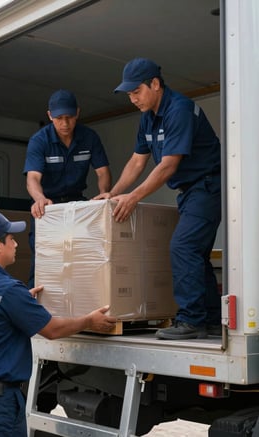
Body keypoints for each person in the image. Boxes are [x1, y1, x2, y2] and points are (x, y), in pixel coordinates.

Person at [0, 211, 116, 436]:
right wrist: (89, 320)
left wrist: (20, 303)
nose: (16, 244)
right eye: (11, 239)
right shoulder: (7, 290)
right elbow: (52, 330)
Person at [95, 57, 221, 340]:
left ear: (155, 84)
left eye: (136, 91)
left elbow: (167, 165)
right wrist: (113, 193)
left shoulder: (180, 109)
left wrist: (134, 197)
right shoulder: (147, 118)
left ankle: (190, 321)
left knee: (182, 246)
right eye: (129, 94)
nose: (133, 99)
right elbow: (137, 162)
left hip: (208, 186)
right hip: (190, 191)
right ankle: (211, 319)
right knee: (195, 254)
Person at [23, 89, 111, 288]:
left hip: (77, 204)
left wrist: (104, 194)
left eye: (69, 117)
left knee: (81, 255)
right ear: (49, 116)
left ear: (77, 113)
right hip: (47, 207)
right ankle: (36, 313)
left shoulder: (89, 137)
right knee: (44, 259)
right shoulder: (40, 140)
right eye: (59, 118)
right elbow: (33, 178)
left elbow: (103, 172)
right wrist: (39, 198)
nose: (65, 123)